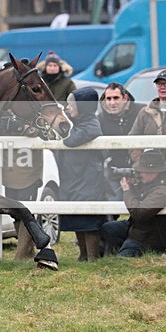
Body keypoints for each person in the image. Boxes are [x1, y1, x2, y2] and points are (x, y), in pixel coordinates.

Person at [100, 149, 166, 257]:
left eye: (142, 170)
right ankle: (119, 248)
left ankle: (149, 252)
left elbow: (139, 214)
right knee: (108, 228)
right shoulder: (154, 182)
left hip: (149, 237)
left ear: (155, 171)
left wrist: (127, 190)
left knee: (122, 261)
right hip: (140, 229)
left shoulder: (165, 191)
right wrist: (134, 187)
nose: (139, 173)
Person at [58, 88, 105, 261]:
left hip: (87, 179)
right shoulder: (75, 122)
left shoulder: (91, 123)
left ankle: (92, 256)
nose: (68, 108)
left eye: (72, 105)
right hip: (73, 177)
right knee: (77, 217)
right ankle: (83, 254)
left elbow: (71, 140)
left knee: (88, 220)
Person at [99, 82, 144, 201]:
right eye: (108, 98)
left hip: (142, 170)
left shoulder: (141, 112)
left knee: (144, 212)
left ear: (125, 98)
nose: (112, 103)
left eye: (116, 98)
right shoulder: (100, 118)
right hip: (113, 171)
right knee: (112, 208)